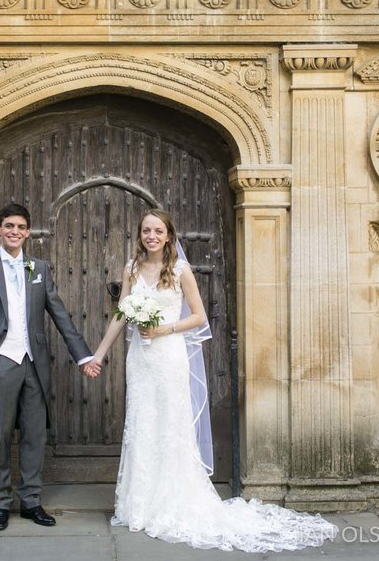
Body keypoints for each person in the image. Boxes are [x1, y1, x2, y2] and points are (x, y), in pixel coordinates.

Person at [90, 208, 339, 553]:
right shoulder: (131, 269)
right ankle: (140, 505)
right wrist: (99, 355)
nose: (151, 236)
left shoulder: (179, 270)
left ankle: (173, 501)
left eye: (158, 231)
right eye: (146, 230)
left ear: (168, 235)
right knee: (142, 424)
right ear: (140, 234)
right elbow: (120, 315)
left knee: (171, 426)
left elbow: (199, 317)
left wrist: (165, 328)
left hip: (168, 355)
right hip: (141, 360)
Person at [0, 203, 102, 532]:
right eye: (8, 225)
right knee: (0, 435)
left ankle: (31, 501)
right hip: (0, 364)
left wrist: (82, 355)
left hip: (34, 364)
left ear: (28, 232)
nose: (14, 231)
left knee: (34, 435)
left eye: (21, 227)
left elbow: (60, 314)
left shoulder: (39, 268)